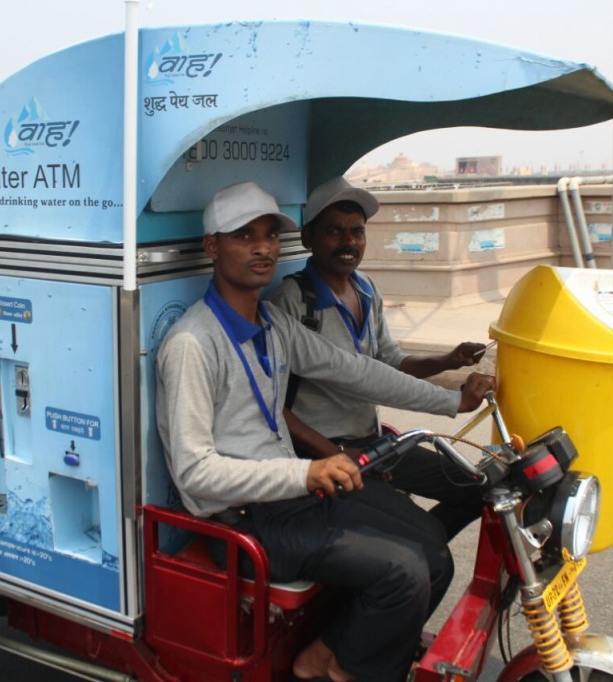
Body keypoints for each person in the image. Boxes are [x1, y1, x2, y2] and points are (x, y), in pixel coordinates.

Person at [155, 181, 496, 682]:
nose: (262, 248)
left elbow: (359, 371)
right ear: (212, 246)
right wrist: (306, 472)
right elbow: (194, 473)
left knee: (433, 553)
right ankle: (342, 665)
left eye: (271, 235)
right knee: (403, 572)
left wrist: (451, 401)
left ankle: (335, 656)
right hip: (250, 519)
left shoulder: (272, 322)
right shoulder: (192, 343)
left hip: (296, 497)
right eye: (244, 235)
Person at [267, 176, 486, 539]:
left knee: (476, 488)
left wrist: (447, 360)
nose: (348, 242)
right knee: (420, 536)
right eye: (334, 232)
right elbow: (272, 407)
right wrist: (336, 452)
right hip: (321, 453)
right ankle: (419, 559)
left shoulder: (365, 288)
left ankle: (424, 557)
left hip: (372, 443)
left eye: (357, 232)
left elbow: (389, 362)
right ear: (308, 238)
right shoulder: (289, 303)